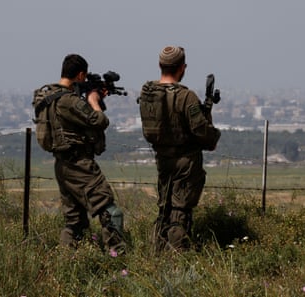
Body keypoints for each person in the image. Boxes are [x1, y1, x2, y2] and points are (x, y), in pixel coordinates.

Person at [138, 46, 221, 252]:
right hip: (186, 160)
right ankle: (178, 257)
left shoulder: (148, 92)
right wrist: (213, 136)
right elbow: (201, 130)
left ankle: (157, 252)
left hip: (162, 158)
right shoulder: (186, 97)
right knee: (180, 210)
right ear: (182, 68)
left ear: (160, 65)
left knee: (164, 208)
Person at [45, 54, 125, 254]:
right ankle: (118, 259)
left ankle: (67, 263)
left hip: (62, 165)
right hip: (80, 165)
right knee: (110, 212)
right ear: (81, 75)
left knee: (75, 221)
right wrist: (94, 100)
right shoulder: (68, 100)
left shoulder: (49, 96)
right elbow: (99, 121)